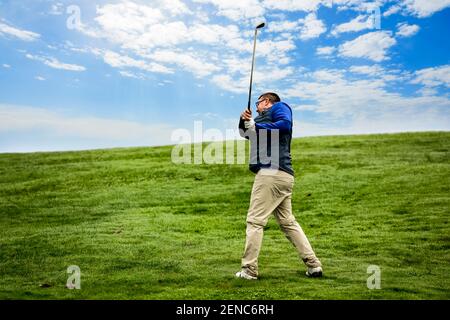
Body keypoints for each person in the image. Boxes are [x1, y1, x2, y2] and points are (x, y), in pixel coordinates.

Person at [235, 92, 323, 280]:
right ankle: (313, 265)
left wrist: (256, 125)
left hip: (270, 174)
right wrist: (244, 121)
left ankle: (249, 270)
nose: (257, 106)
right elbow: (246, 134)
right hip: (283, 176)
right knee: (287, 222)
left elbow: (284, 125)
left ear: (267, 102)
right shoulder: (263, 120)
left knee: (255, 221)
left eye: (258, 103)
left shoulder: (280, 108)